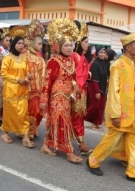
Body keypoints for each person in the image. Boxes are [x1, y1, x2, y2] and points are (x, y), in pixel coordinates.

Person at [86, 28, 135, 186]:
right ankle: (93, 160)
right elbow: (113, 91)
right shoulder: (117, 65)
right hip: (121, 112)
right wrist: (115, 114)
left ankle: (134, 172)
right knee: (111, 140)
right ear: (128, 47)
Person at [39, 18, 83, 163]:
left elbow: (74, 78)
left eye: (71, 45)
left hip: (67, 96)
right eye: (66, 45)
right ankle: (69, 152)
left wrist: (76, 91)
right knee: (63, 122)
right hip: (56, 97)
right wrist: (44, 100)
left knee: (57, 122)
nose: (69, 48)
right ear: (59, 46)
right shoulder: (53, 61)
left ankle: (46, 145)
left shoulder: (71, 61)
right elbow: (47, 82)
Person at [70, 21, 92, 155]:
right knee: (74, 117)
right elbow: (73, 75)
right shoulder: (75, 56)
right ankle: (80, 143)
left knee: (78, 117)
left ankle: (80, 142)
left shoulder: (82, 56)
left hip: (81, 91)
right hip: (74, 91)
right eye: (86, 42)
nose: (88, 45)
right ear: (79, 42)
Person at [25, 21, 46, 139]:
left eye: (41, 44)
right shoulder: (25, 56)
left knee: (39, 111)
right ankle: (28, 130)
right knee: (30, 110)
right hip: (28, 88)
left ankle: (34, 128)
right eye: (39, 43)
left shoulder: (41, 59)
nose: (41, 46)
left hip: (38, 89)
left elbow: (43, 75)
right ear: (32, 43)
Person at [85, 47, 109, 130]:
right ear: (97, 53)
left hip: (103, 88)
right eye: (101, 52)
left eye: (104, 53)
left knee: (101, 107)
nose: (102, 54)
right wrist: (97, 91)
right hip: (95, 88)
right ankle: (81, 118)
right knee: (94, 106)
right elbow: (94, 78)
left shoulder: (104, 63)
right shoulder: (95, 64)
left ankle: (96, 123)